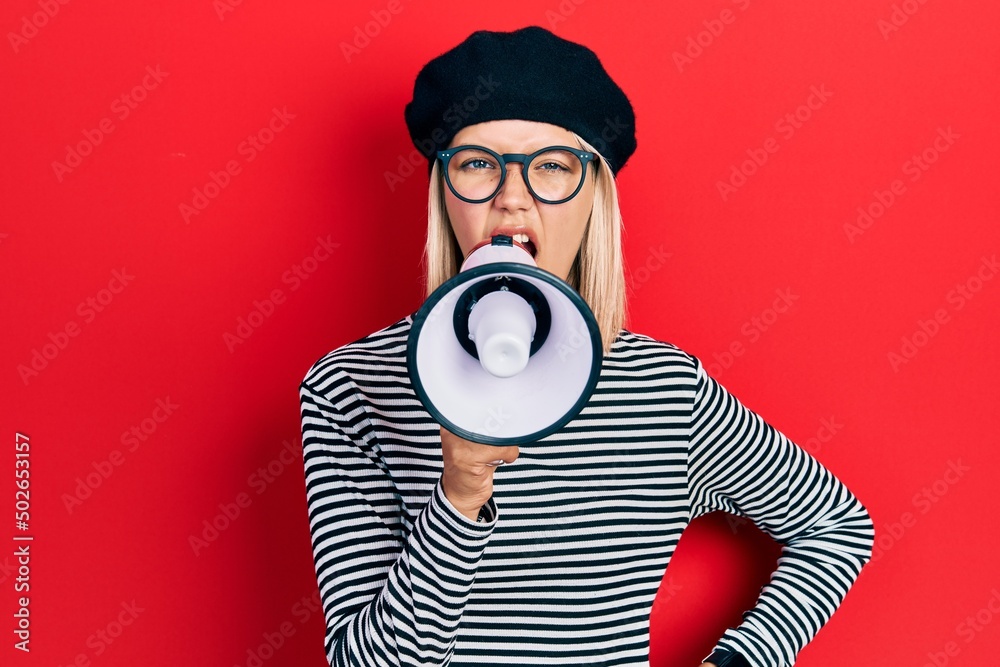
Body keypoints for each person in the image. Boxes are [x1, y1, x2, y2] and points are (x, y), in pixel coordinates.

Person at [299, 26, 874, 667]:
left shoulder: (664, 390)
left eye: (550, 166)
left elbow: (839, 528)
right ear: (444, 194)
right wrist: (459, 495)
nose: (511, 197)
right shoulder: (349, 387)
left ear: (593, 196)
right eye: (476, 164)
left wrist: (741, 659)